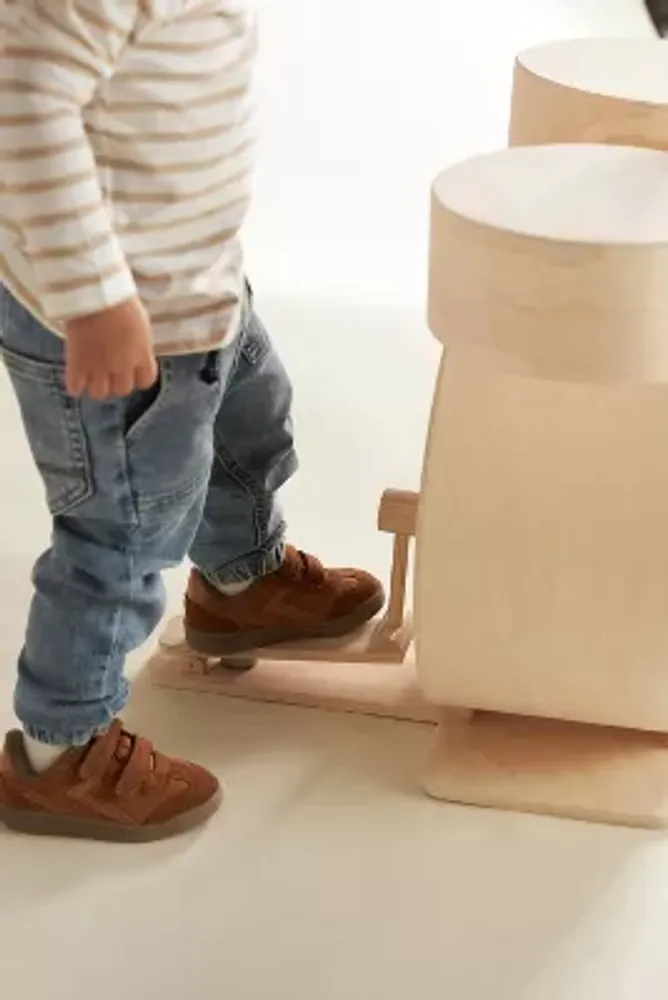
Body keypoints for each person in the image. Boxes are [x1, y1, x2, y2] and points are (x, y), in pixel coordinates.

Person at [0, 1, 384, 842]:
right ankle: (58, 750)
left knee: (250, 424)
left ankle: (242, 581)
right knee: (120, 537)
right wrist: (95, 298)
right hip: (113, 313)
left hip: (193, 287)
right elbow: (22, 102)